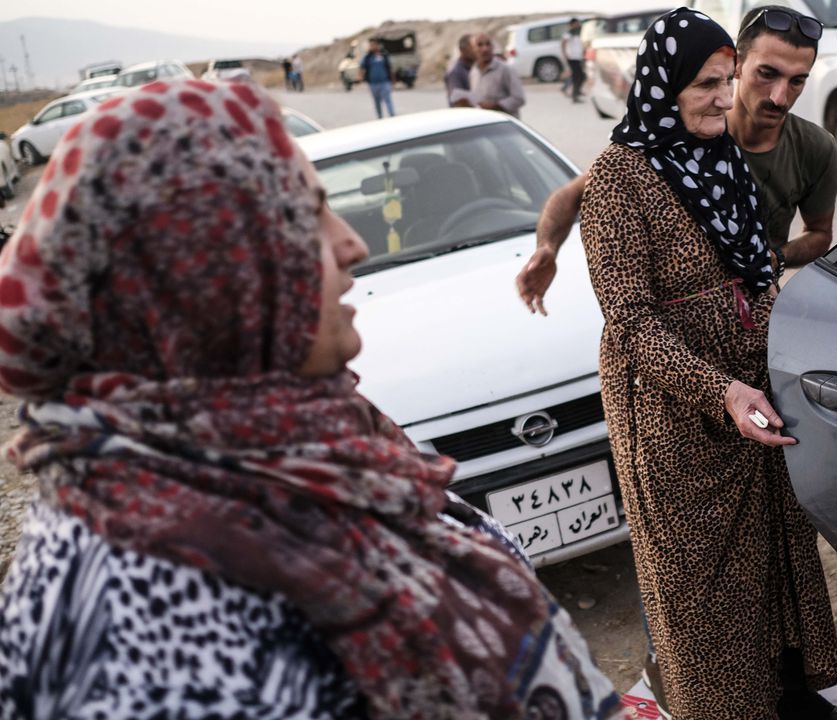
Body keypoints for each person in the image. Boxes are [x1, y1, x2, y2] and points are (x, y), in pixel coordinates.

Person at [0, 79, 625, 720]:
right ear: (212, 273)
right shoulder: (132, 632)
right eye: (307, 214)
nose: (350, 242)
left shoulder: (299, 442)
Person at [577, 9, 837, 720]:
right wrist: (716, 387)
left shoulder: (721, 155)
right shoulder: (617, 178)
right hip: (674, 415)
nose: (722, 99)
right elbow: (630, 322)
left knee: (779, 554)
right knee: (706, 584)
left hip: (753, 391)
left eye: (728, 82)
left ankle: (792, 699)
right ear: (663, 83)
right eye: (705, 83)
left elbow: (757, 272)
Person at [517, 5, 837, 316]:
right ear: (736, 64)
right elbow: (572, 194)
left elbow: (820, 233)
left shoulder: (815, 147)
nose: (780, 97)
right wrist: (547, 249)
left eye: (797, 81)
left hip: (752, 315)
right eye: (767, 74)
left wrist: (775, 258)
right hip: (676, 328)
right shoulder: (678, 134)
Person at [468, 33, 526, 118]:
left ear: (492, 47)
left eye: (488, 44)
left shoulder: (505, 69)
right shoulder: (473, 72)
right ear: (473, 49)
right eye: (479, 45)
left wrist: (497, 106)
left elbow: (519, 98)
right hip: (485, 124)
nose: (485, 49)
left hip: (504, 125)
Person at [360, 38, 396, 119]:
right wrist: (361, 79)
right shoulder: (367, 57)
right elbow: (362, 68)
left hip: (385, 82)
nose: (372, 46)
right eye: (370, 45)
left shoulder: (384, 54)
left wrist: (393, 80)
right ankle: (380, 117)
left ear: (377, 45)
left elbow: (390, 67)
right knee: (377, 102)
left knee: (388, 99)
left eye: (373, 45)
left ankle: (392, 116)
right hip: (373, 84)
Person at [445, 33, 475, 107]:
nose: (477, 50)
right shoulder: (455, 72)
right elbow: (459, 101)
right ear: (463, 49)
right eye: (473, 47)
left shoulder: (475, 68)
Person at [562, 18, 586, 103]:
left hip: (578, 57)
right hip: (572, 58)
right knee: (577, 77)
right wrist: (565, 55)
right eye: (576, 23)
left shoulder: (578, 32)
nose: (578, 25)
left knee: (581, 76)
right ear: (572, 24)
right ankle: (574, 96)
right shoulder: (569, 33)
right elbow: (563, 44)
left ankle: (575, 91)